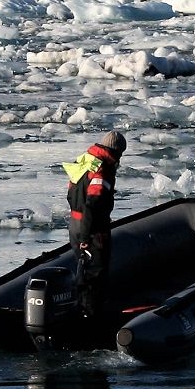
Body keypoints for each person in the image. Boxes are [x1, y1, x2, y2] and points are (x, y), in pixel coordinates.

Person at [62, 130, 126, 321]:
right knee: (95, 274)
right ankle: (91, 317)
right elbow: (93, 203)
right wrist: (86, 235)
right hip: (91, 229)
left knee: (83, 270)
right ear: (116, 151)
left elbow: (70, 194)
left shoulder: (84, 161)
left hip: (74, 222)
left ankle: (82, 310)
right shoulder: (102, 170)